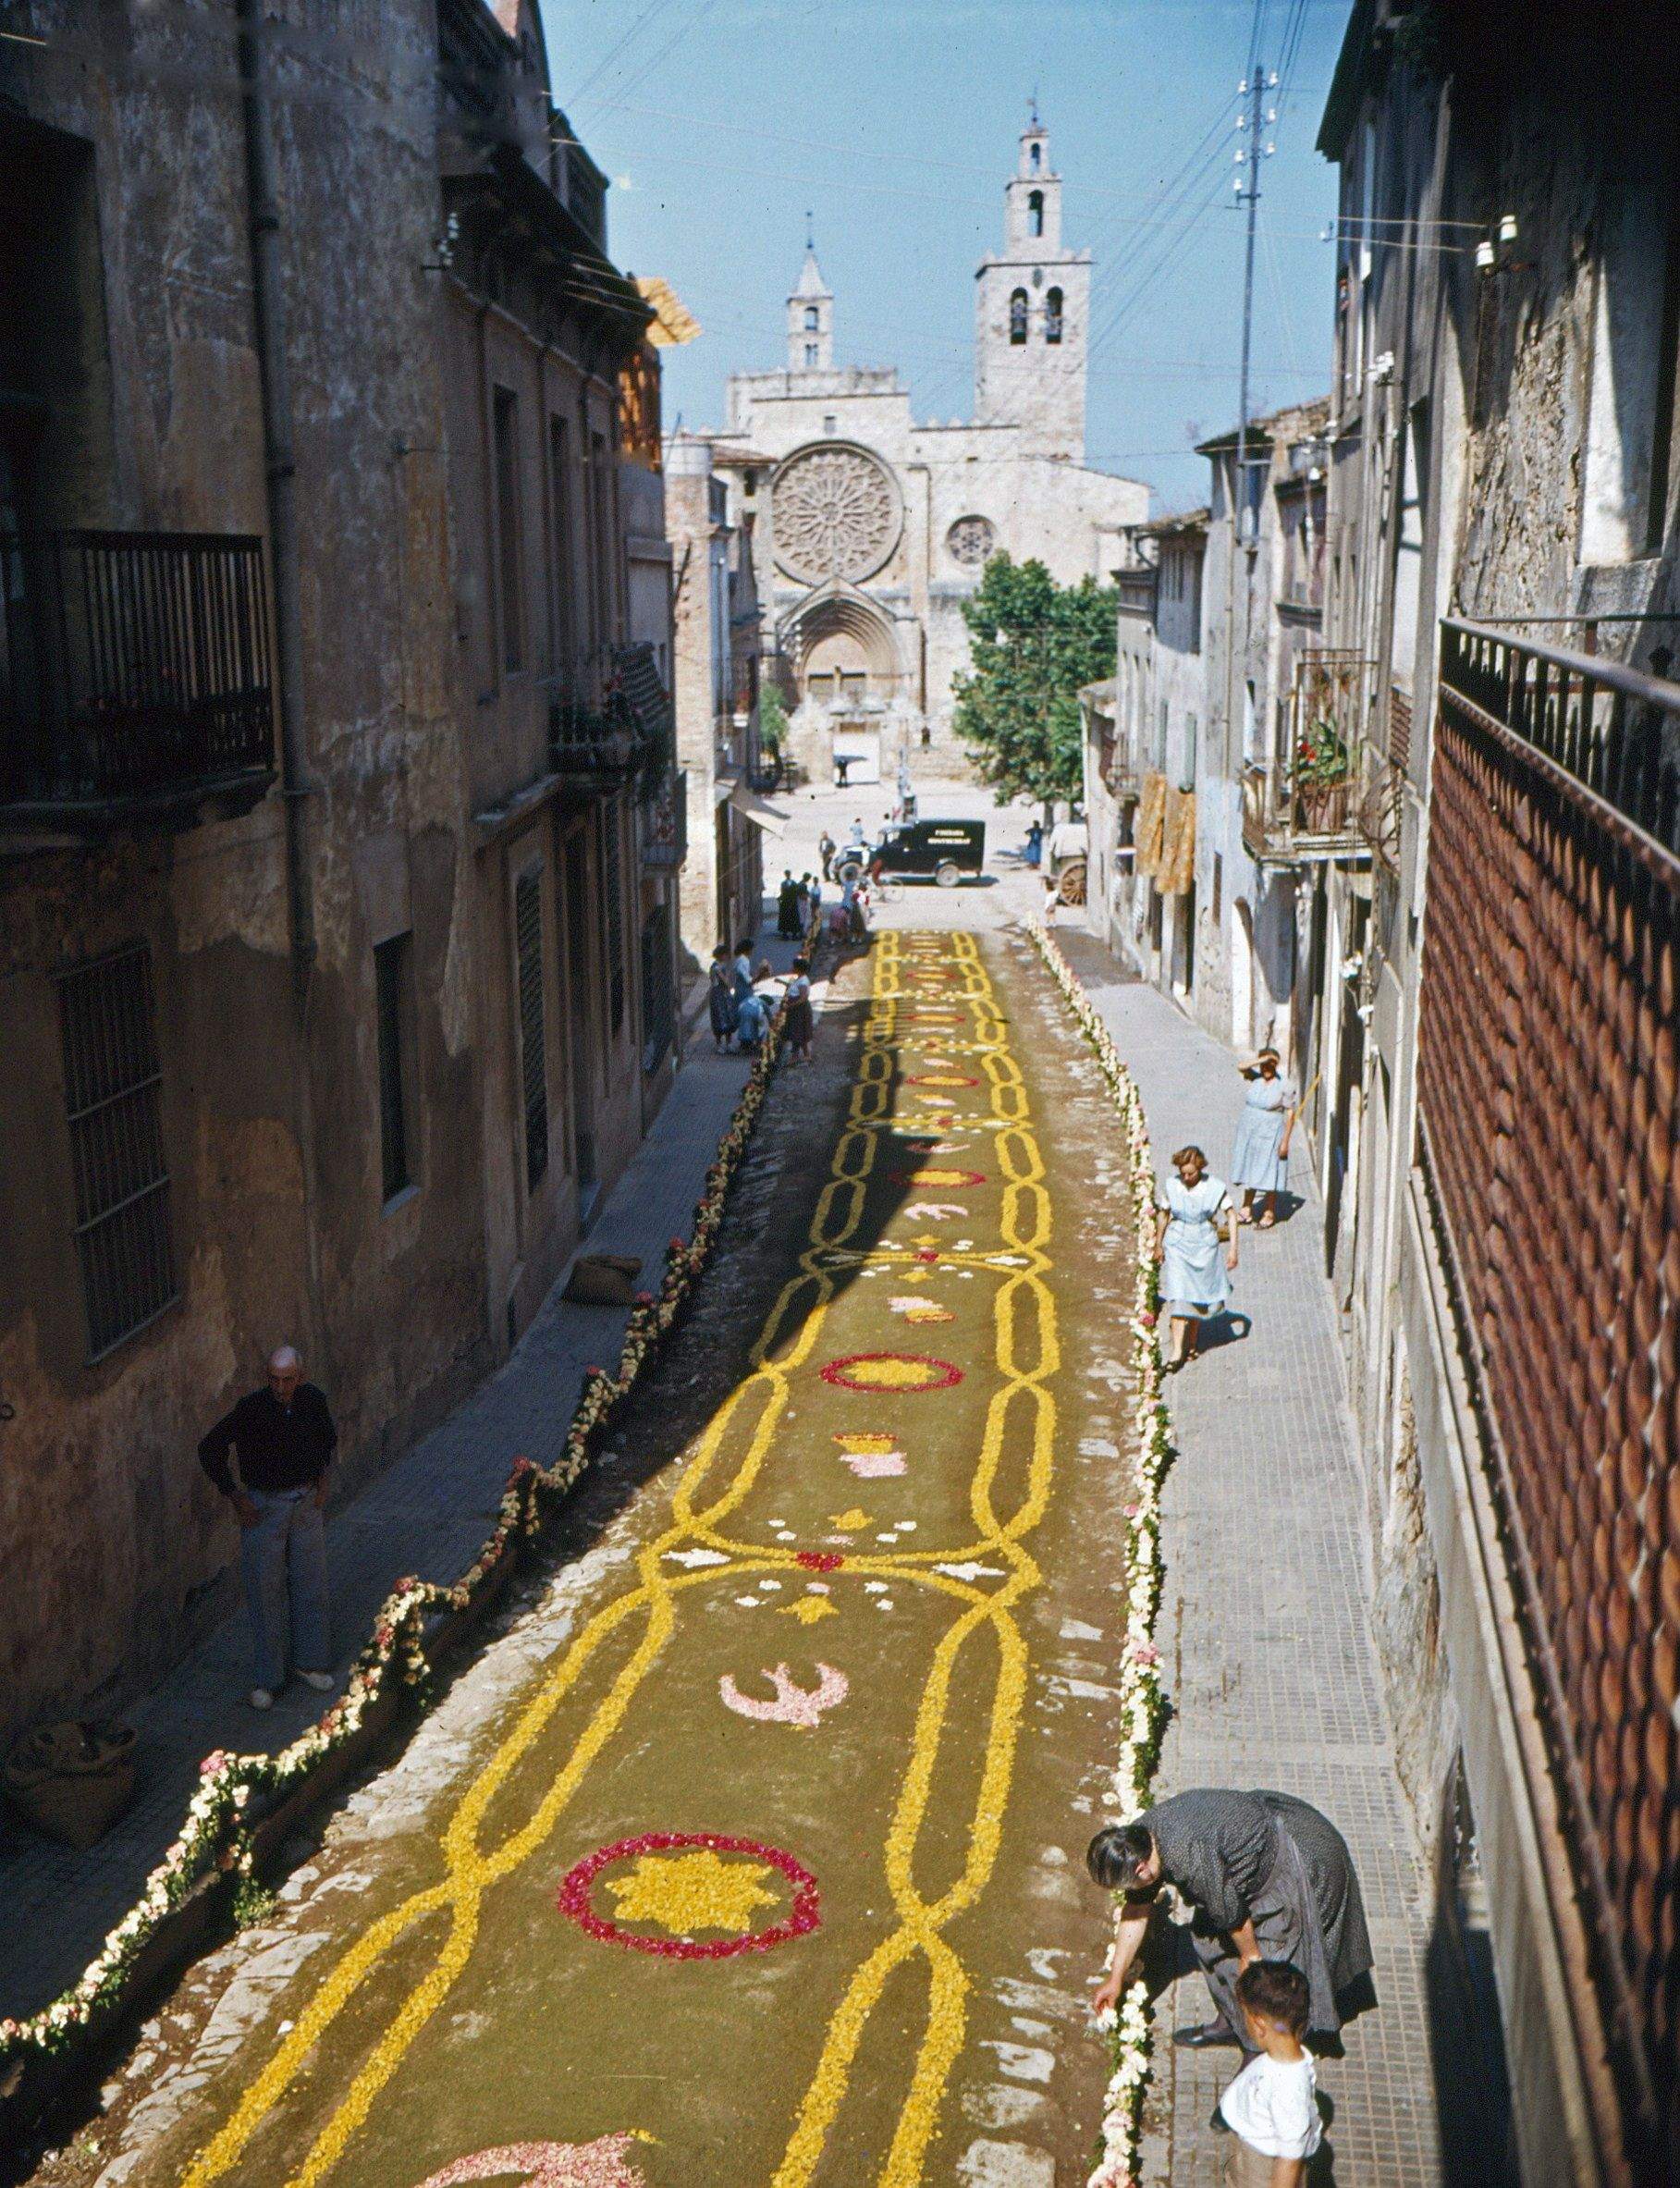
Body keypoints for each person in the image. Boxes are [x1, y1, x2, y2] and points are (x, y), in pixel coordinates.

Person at [1085, 1789, 1374, 2050]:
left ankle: (1262, 2048)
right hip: (1237, 1855)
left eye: (1128, 1885)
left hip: (1299, 1854)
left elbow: (1232, 1916)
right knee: (1209, 1941)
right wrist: (1115, 1979)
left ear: (1141, 1869)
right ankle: (1232, 2025)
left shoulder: (1185, 1855)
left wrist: (1251, 1956)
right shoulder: (1139, 1841)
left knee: (1271, 1971)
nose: (1130, 1891)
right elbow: (1136, 1911)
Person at [199, 1347, 337, 1709]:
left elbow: (327, 1440)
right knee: (265, 1590)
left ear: (300, 1377)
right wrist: (234, 1496)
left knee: (311, 1582)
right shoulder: (251, 1409)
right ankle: (269, 1679)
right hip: (265, 1507)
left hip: (305, 1502)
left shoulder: (312, 1400)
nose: (280, 1387)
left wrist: (322, 1482)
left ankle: (310, 1663)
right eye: (274, 1380)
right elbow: (210, 1448)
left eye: (287, 1380)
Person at [1215, 1961, 1323, 2187]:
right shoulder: (1280, 2059)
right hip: (1252, 2151)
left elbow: (1290, 2159)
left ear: (1259, 2025)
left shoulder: (1288, 2087)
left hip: (1262, 2169)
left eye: (1245, 2016)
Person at [1154, 1144, 1237, 1371]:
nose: (1186, 1178)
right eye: (1183, 1173)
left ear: (1200, 1168)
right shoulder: (1172, 1185)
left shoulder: (1214, 1187)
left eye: (1190, 1173)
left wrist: (1233, 1249)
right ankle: (1176, 1353)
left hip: (1203, 1246)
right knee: (1178, 1295)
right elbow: (1163, 1214)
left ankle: (1191, 1343)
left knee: (1197, 1295)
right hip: (1177, 1244)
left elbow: (1231, 1215)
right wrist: (1158, 1244)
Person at [1231, 1049, 1298, 1229]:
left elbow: (1290, 1114)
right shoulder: (1256, 1079)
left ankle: (1269, 1212)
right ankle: (1246, 1209)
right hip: (1249, 1133)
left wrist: (1285, 1142)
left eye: (1270, 1065)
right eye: (1264, 1065)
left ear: (1276, 1065)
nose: (1266, 1069)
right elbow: (1240, 1066)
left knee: (1269, 1170)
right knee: (1250, 1168)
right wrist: (1261, 1060)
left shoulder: (1284, 1085)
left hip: (1271, 1132)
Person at [784, 953, 815, 1063]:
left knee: (798, 1032)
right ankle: (805, 1054)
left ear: (798, 968)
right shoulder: (799, 979)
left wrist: (790, 1006)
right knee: (798, 1032)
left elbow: (803, 998)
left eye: (794, 967)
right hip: (796, 1010)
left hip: (800, 1010)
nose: (792, 968)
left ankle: (796, 1056)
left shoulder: (803, 981)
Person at [707, 942, 737, 1051]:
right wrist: (729, 980)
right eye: (725, 954)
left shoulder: (719, 965)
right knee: (721, 1017)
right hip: (719, 995)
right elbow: (726, 982)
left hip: (722, 994)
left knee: (725, 1017)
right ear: (721, 955)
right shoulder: (717, 967)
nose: (727, 956)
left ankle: (726, 1043)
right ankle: (721, 1044)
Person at [777, 869, 802, 939]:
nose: (787, 875)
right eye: (787, 874)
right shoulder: (791, 883)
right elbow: (783, 893)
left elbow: (795, 893)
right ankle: (788, 934)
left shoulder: (788, 883)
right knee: (789, 918)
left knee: (790, 917)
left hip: (790, 902)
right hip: (788, 902)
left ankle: (792, 934)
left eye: (788, 874)